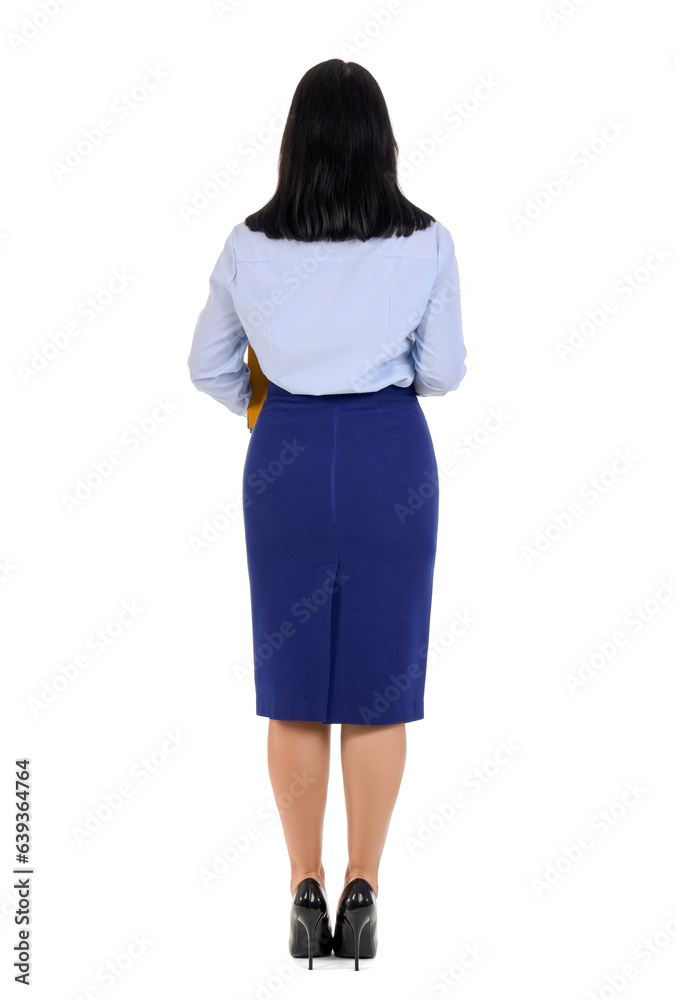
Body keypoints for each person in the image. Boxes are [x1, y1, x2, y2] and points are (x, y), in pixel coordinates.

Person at [187, 58, 467, 971]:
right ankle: (364, 885)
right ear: (380, 145)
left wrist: (261, 405)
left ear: (295, 144)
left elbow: (208, 364)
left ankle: (303, 886)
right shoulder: (426, 241)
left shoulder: (247, 244)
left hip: (288, 458)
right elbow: (444, 372)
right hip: (391, 453)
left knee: (295, 679)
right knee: (378, 685)